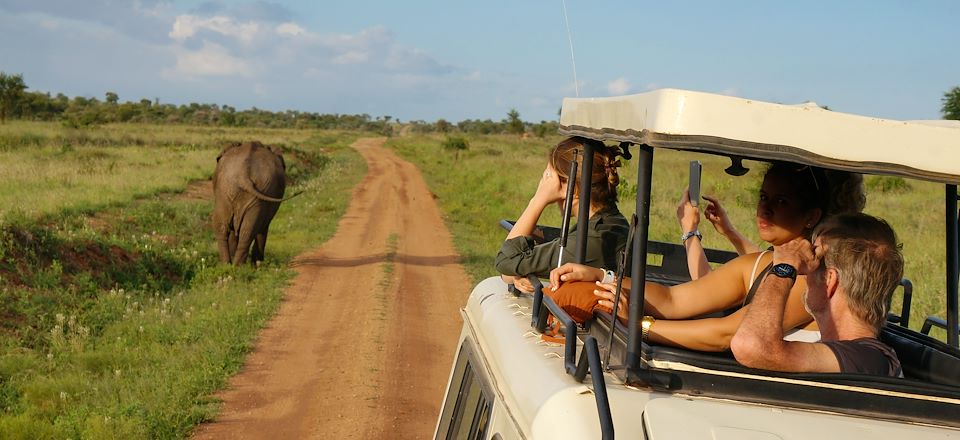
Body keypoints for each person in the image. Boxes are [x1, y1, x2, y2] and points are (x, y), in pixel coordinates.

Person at [549, 162, 865, 352]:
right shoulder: (757, 264)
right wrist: (604, 278)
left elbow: (728, 333)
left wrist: (640, 326)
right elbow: (674, 299)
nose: (765, 209)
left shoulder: (810, 278)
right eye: (763, 197)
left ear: (811, 216)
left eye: (781, 201)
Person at [730, 213, 903, 376]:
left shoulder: (866, 359)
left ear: (829, 280)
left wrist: (785, 267)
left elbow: (749, 345)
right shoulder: (857, 356)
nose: (803, 274)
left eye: (812, 260)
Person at [496, 136, 630, 293]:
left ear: (574, 189)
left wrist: (538, 199)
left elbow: (505, 260)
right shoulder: (609, 221)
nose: (545, 185)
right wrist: (515, 274)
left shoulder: (591, 239)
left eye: (550, 179)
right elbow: (508, 269)